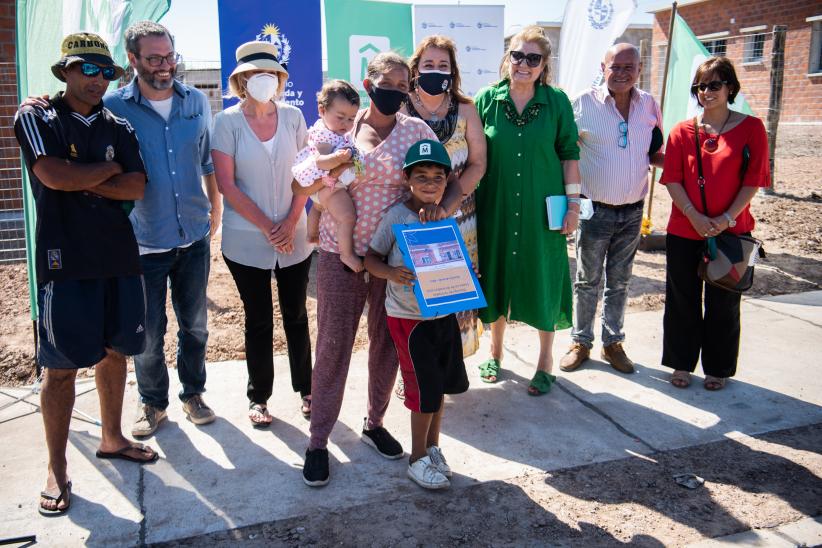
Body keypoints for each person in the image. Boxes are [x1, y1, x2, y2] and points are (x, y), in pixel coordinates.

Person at [295, 52, 462, 487]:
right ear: (368, 85)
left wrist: (439, 208)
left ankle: (374, 422)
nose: (394, 90)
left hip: (395, 259)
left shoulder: (416, 130)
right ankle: (317, 442)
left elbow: (442, 176)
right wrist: (323, 184)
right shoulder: (340, 124)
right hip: (339, 254)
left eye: (402, 84)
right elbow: (301, 182)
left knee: (387, 345)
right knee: (334, 346)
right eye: (385, 82)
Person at [14, 33, 158, 515]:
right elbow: (52, 175)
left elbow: (136, 185)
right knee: (60, 368)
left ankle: (112, 438)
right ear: (65, 72)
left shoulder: (120, 125)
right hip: (65, 261)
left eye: (106, 72)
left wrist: (86, 174)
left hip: (118, 256)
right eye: (87, 70)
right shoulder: (37, 116)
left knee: (117, 351)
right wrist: (106, 170)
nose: (98, 80)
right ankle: (57, 468)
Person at [104, 21, 220, 436]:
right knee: (149, 332)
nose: (166, 66)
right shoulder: (114, 107)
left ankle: (194, 393)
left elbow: (206, 160)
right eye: (154, 59)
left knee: (196, 324)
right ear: (132, 60)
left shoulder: (195, 103)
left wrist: (215, 211)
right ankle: (153, 402)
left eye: (170, 56)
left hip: (193, 235)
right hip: (143, 240)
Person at [474, 26, 581, 395]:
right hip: (496, 209)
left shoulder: (557, 102)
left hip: (542, 212)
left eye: (533, 58)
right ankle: (495, 352)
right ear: (508, 57)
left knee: (543, 279)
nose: (523, 63)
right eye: (517, 55)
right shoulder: (486, 100)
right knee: (497, 277)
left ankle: (545, 361)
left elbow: (569, 156)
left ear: (543, 65)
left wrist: (574, 206)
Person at [211, 41, 314, 426]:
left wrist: (289, 222)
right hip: (245, 241)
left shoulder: (293, 118)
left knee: (296, 315)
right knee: (258, 319)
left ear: (280, 79)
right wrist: (270, 228)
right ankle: (259, 398)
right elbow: (228, 186)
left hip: (295, 236)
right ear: (241, 81)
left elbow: (307, 173)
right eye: (254, 75)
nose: (262, 80)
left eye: (269, 74)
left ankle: (308, 389)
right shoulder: (226, 123)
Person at [660, 57, 769, 391]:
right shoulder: (682, 131)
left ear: (730, 87)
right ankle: (681, 363)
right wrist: (695, 216)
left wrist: (725, 219)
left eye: (715, 84)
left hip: (733, 232)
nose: (707, 92)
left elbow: (754, 180)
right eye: (701, 86)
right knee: (682, 298)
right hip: (684, 230)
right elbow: (673, 179)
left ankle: (718, 368)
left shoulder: (752, 128)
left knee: (724, 302)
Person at [365, 139, 469, 490]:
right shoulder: (396, 216)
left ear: (446, 181)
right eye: (421, 176)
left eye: (437, 177)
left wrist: (466, 277)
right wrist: (390, 274)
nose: (429, 183)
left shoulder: (445, 216)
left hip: (443, 313)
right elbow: (371, 258)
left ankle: (433, 448)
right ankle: (416, 458)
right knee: (422, 389)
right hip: (409, 318)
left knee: (439, 387)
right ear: (407, 178)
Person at [560, 43, 665, 374]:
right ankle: (580, 342)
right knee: (587, 280)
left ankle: (613, 343)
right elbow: (565, 154)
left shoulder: (649, 105)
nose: (621, 73)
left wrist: (692, 167)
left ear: (639, 68)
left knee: (620, 281)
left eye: (628, 67)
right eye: (614, 67)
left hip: (633, 213)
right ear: (603, 68)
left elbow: (655, 151)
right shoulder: (581, 104)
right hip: (594, 212)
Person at [403, 35, 487, 358]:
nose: (435, 70)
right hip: (412, 216)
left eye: (443, 65)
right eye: (428, 64)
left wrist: (447, 205)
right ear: (416, 69)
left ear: (453, 70)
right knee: (414, 290)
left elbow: (478, 163)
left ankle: (451, 363)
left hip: (459, 217)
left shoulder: (466, 109)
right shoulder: (401, 106)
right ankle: (412, 366)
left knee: (453, 289)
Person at [292, 80, 362, 271]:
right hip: (331, 185)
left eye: (351, 119)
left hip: (324, 187)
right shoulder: (324, 136)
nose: (345, 124)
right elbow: (320, 162)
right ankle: (347, 255)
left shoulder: (330, 131)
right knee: (348, 217)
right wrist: (338, 158)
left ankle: (312, 234)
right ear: (322, 110)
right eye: (340, 117)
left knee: (317, 207)